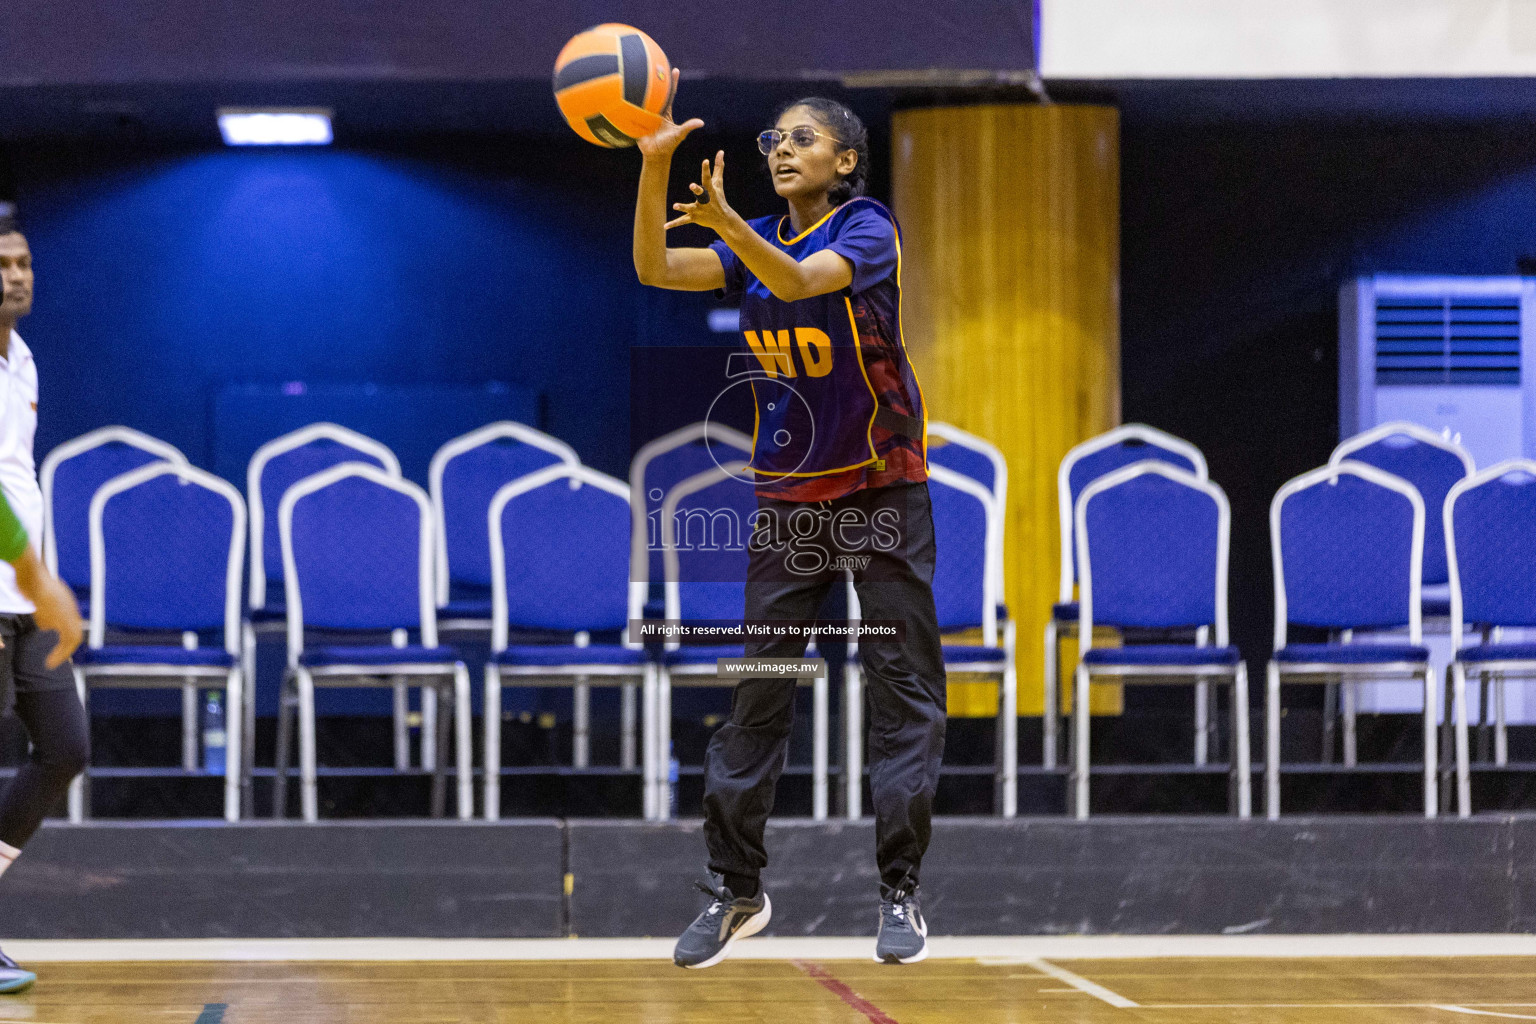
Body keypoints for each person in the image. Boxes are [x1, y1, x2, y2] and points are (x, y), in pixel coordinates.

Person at [633, 77, 946, 968]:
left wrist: (728, 223)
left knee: (902, 692)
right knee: (757, 695)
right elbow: (655, 266)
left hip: (884, 489)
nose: (779, 148)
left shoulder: (867, 228)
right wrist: (655, 169)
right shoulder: (756, 237)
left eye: (800, 139)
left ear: (843, 161)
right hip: (790, 500)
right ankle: (737, 892)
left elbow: (803, 281)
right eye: (773, 137)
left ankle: (900, 893)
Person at [0, 203, 89, 993]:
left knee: (65, 748)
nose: (17, 276)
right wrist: (41, 580)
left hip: (22, 599)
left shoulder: (22, 359)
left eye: (23, 262)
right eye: (2, 265)